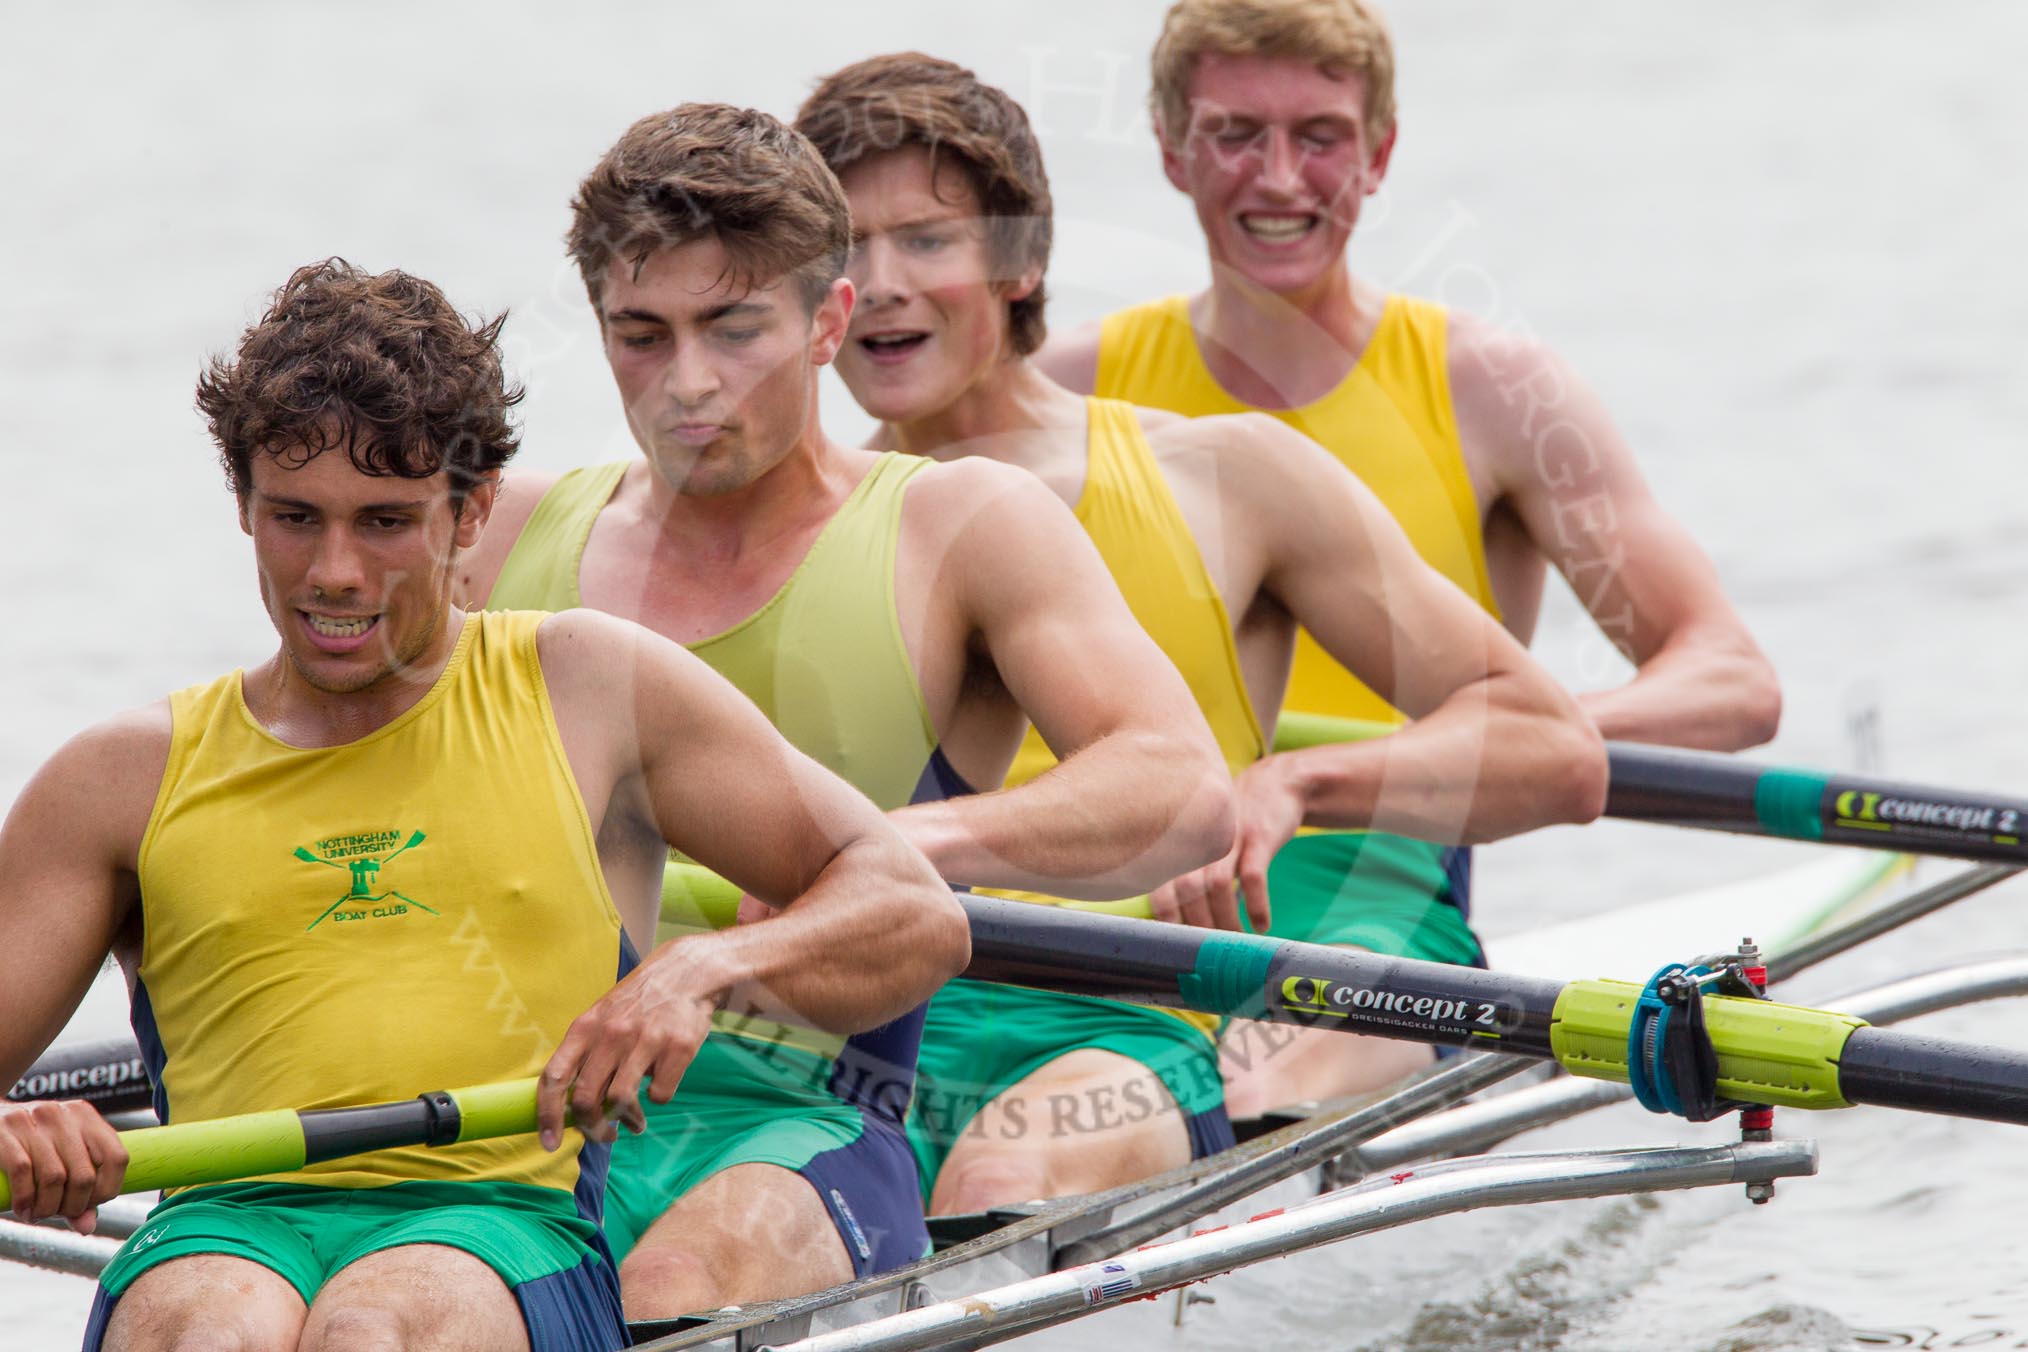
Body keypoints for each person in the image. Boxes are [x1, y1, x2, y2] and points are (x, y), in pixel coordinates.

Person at [0, 260, 968, 1352]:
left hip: (501, 1221)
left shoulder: (591, 688)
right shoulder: (116, 777)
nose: (335, 574)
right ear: (242, 505)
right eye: (294, 517)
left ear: (469, 512)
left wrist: (696, 969)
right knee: (206, 1331)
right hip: (223, 1219)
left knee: (375, 1327)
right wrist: (19, 1126)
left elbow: (913, 908)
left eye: (384, 521)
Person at [455, 104, 1234, 1318]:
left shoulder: (956, 525)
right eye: (641, 335)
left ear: (829, 321)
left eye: (734, 326)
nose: (689, 383)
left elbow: (1180, 784)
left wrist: (894, 849)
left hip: (809, 1120)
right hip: (526, 1108)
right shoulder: (501, 532)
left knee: (668, 1282)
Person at [793, 52, 1606, 1207]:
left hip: (1135, 1003)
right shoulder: (783, 531)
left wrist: (1296, 785)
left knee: (1003, 1177)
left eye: (925, 241)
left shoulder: (1230, 478)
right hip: (870, 1020)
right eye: (843, 253)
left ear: (1021, 262)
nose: (877, 285)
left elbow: (1554, 750)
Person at [1039, 0, 1783, 1113]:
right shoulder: (1068, 392)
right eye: (1237, 133)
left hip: (1379, 894)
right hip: (1128, 890)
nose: (1280, 177)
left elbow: (1729, 678)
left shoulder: (1487, 390)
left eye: (1322, 136)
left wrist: (1467, 736)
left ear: (1379, 153)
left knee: (1250, 1084)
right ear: (1171, 149)